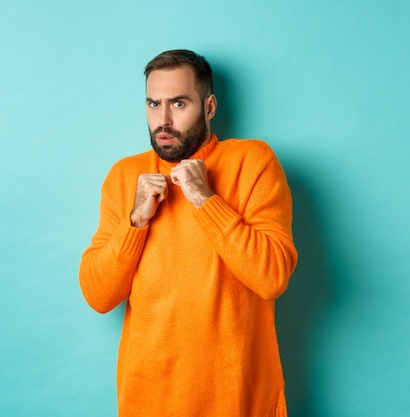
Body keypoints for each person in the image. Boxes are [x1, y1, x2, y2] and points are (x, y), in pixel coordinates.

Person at [79, 49, 298, 417]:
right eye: (153, 104)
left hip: (238, 400)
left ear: (209, 107)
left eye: (178, 104)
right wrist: (135, 223)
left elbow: (272, 276)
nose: (162, 120)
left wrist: (205, 198)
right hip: (147, 401)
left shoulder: (253, 161)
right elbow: (98, 295)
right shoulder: (124, 176)